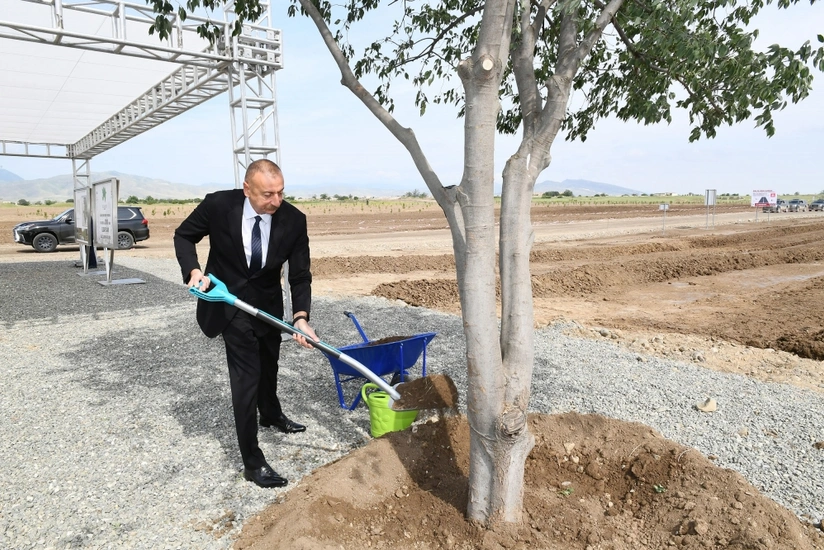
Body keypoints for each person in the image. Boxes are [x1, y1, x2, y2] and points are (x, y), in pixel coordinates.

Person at [174, 159, 318, 489]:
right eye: (268, 194)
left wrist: (301, 318)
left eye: (281, 193)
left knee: (269, 362)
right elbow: (184, 235)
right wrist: (193, 271)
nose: (276, 201)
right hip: (228, 303)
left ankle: (271, 413)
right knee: (246, 377)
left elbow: (299, 275)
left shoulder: (294, 220)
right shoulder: (218, 205)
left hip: (267, 305)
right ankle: (252, 462)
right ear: (247, 189)